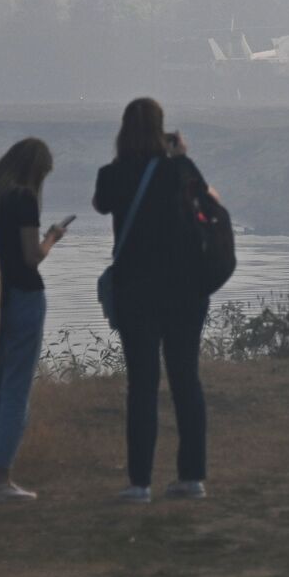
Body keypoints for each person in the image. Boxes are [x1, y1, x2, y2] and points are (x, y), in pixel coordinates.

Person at [93, 97, 213, 503]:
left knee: (141, 385)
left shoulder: (112, 174)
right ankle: (192, 477)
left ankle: (139, 484)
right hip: (185, 291)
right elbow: (208, 201)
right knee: (185, 379)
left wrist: (124, 159)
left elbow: (101, 203)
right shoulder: (179, 170)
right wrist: (180, 156)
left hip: (135, 291)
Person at [0, 138, 65, 501]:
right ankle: (1, 479)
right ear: (36, 170)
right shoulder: (23, 198)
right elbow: (31, 258)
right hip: (24, 295)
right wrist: (52, 239)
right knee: (16, 390)